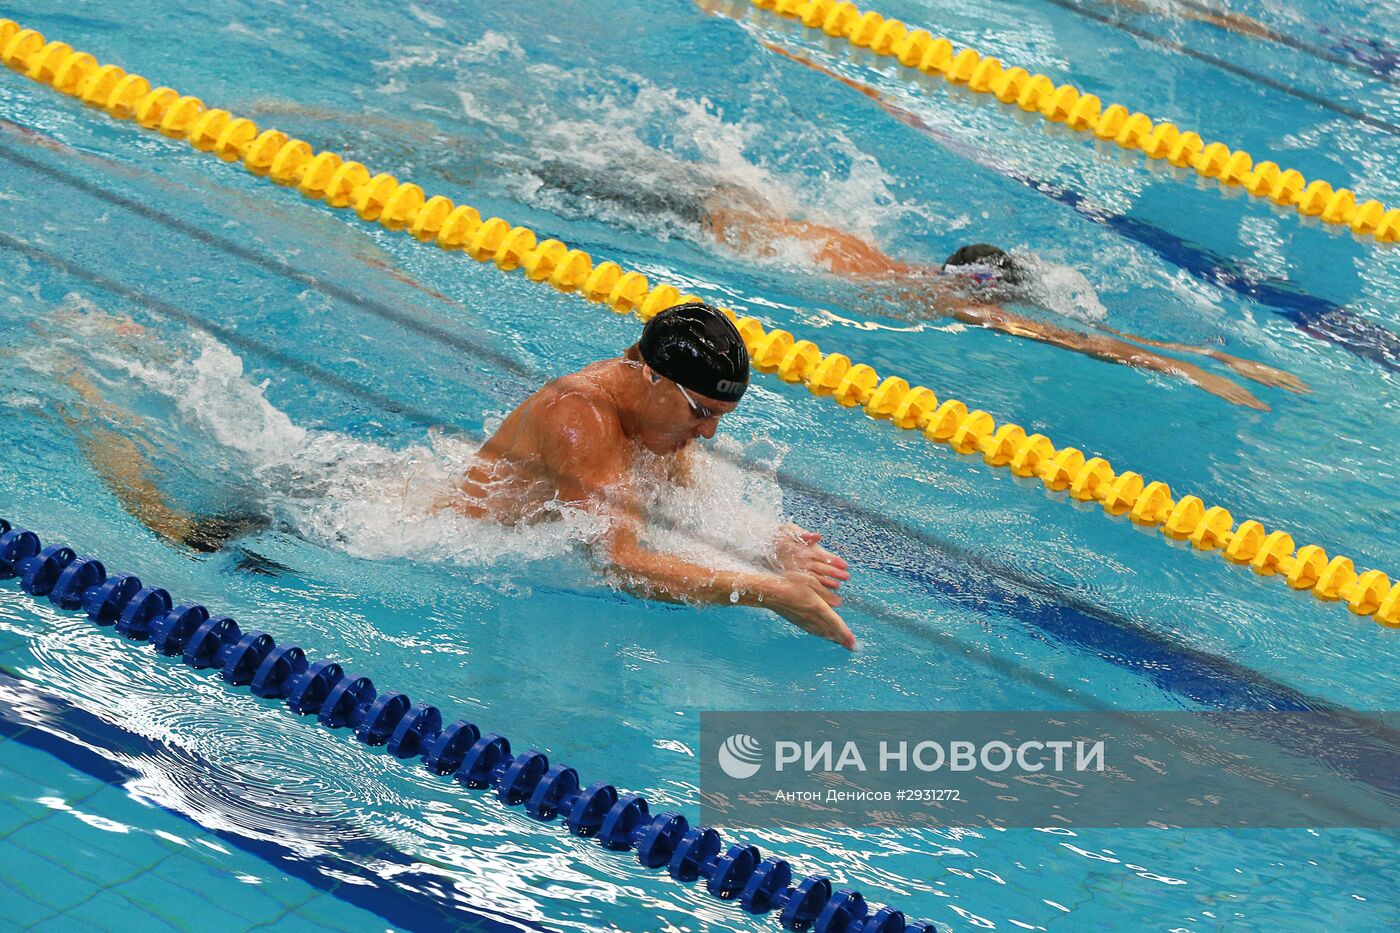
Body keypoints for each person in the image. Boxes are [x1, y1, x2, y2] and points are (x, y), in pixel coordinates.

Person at [437, 301, 857, 650]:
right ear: (652, 377)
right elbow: (618, 564)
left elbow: (692, 511)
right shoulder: (580, 416)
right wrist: (769, 592)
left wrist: (769, 545)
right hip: (454, 553)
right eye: (702, 412)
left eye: (719, 416)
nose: (709, 432)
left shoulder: (656, 418)